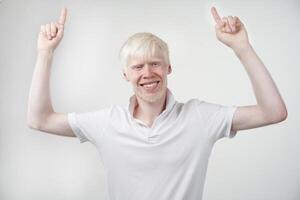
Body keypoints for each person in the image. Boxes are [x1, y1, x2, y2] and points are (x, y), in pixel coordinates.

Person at [27, 6, 287, 200]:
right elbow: (40, 120)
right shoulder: (107, 122)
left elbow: (273, 112)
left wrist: (242, 47)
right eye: (138, 66)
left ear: (168, 68)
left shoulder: (199, 117)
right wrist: (45, 53)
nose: (147, 73)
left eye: (155, 64)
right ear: (125, 74)